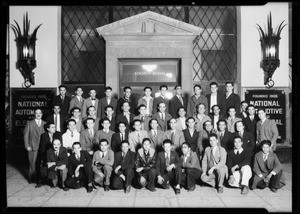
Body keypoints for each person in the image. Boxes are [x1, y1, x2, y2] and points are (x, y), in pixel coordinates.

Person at [35, 122, 62, 188]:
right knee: (41, 165)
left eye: (54, 127)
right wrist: (46, 157)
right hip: (46, 154)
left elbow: (60, 146)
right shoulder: (44, 136)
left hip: (56, 154)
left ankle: (54, 181)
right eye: (52, 127)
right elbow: (42, 148)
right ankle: (40, 181)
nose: (54, 128)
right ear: (48, 129)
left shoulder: (58, 134)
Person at [23, 108, 46, 183]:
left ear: (42, 114)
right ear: (34, 114)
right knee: (32, 163)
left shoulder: (45, 123)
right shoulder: (29, 123)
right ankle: (31, 178)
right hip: (32, 146)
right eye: (37, 113)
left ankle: (40, 179)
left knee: (42, 163)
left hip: (42, 147)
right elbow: (25, 136)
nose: (38, 114)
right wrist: (27, 146)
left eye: (40, 113)